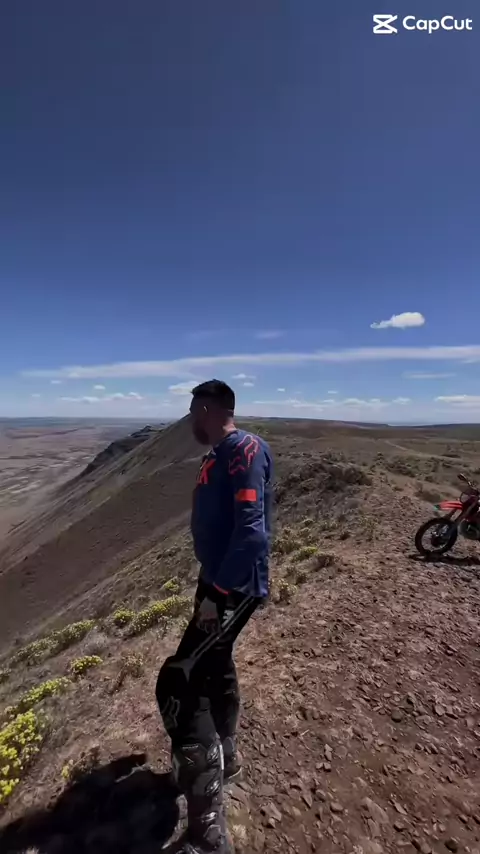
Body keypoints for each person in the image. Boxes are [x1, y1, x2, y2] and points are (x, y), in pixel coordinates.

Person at [156, 379, 273, 854]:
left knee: (179, 680)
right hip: (219, 583)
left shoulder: (244, 450)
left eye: (192, 411)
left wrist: (217, 593)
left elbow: (253, 533)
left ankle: (207, 831)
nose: (189, 419)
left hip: (232, 588)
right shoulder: (221, 454)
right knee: (215, 666)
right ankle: (225, 756)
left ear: (206, 409)